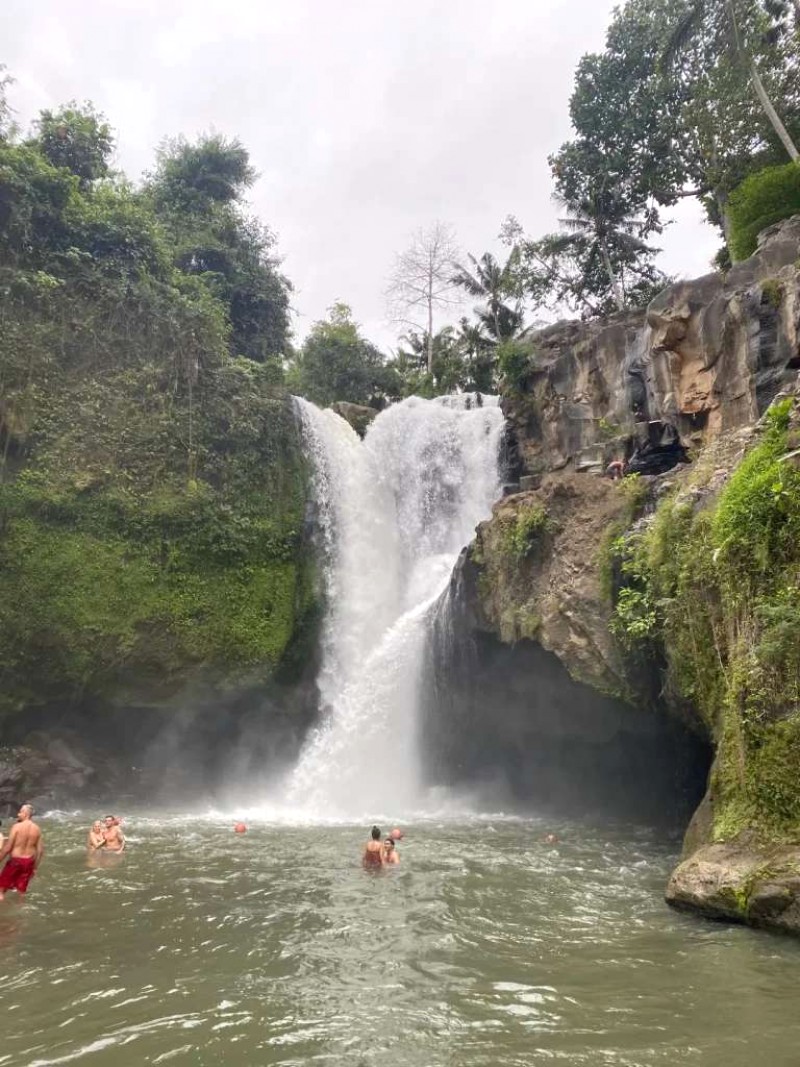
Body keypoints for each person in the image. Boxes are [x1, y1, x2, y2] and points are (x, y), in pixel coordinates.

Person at [0, 804, 43, 900]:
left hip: (15, 861)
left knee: (1, 889)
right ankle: (21, 910)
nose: (18, 814)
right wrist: (35, 867)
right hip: (28, 862)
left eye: (20, 812)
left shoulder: (17, 827)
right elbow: (40, 851)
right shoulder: (37, 829)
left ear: (25, 814)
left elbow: (8, 847)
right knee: (21, 891)